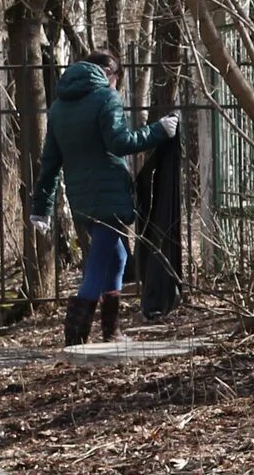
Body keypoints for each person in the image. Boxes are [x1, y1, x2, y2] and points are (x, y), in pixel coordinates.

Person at [29, 52, 179, 347]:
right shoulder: (105, 98)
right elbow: (120, 142)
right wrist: (158, 130)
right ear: (109, 74)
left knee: (118, 257)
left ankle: (111, 332)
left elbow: (50, 162)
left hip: (82, 199)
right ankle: (75, 336)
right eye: (117, 80)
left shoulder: (59, 108)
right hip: (108, 195)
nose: (116, 86)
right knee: (98, 264)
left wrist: (41, 208)